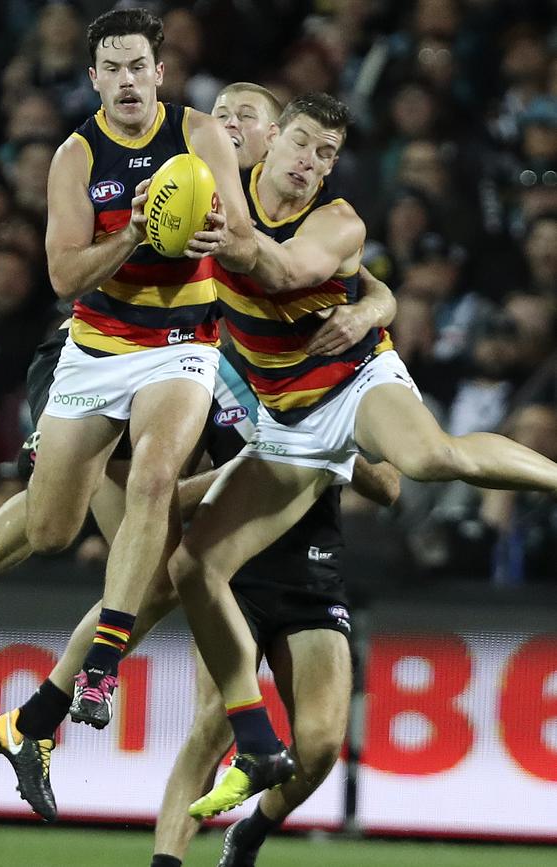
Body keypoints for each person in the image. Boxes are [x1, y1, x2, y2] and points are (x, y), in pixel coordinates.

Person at [165, 91, 557, 821]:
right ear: (272, 139)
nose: (312, 164)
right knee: (192, 565)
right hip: (287, 422)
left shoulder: (339, 220)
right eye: (304, 144)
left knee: (430, 458)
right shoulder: (213, 188)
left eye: (328, 154)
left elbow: (280, 272)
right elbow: (174, 129)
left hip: (352, 380)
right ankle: (246, 735)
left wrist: (370, 310)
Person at [0, 8, 258, 724]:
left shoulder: (199, 135)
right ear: (93, 77)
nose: (127, 81)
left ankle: (101, 664)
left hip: (184, 342)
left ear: (160, 73)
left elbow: (246, 238)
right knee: (50, 529)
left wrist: (224, 235)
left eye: (139, 67)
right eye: (113, 68)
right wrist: (133, 231)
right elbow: (66, 276)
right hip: (98, 346)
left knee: (157, 475)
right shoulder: (75, 156)